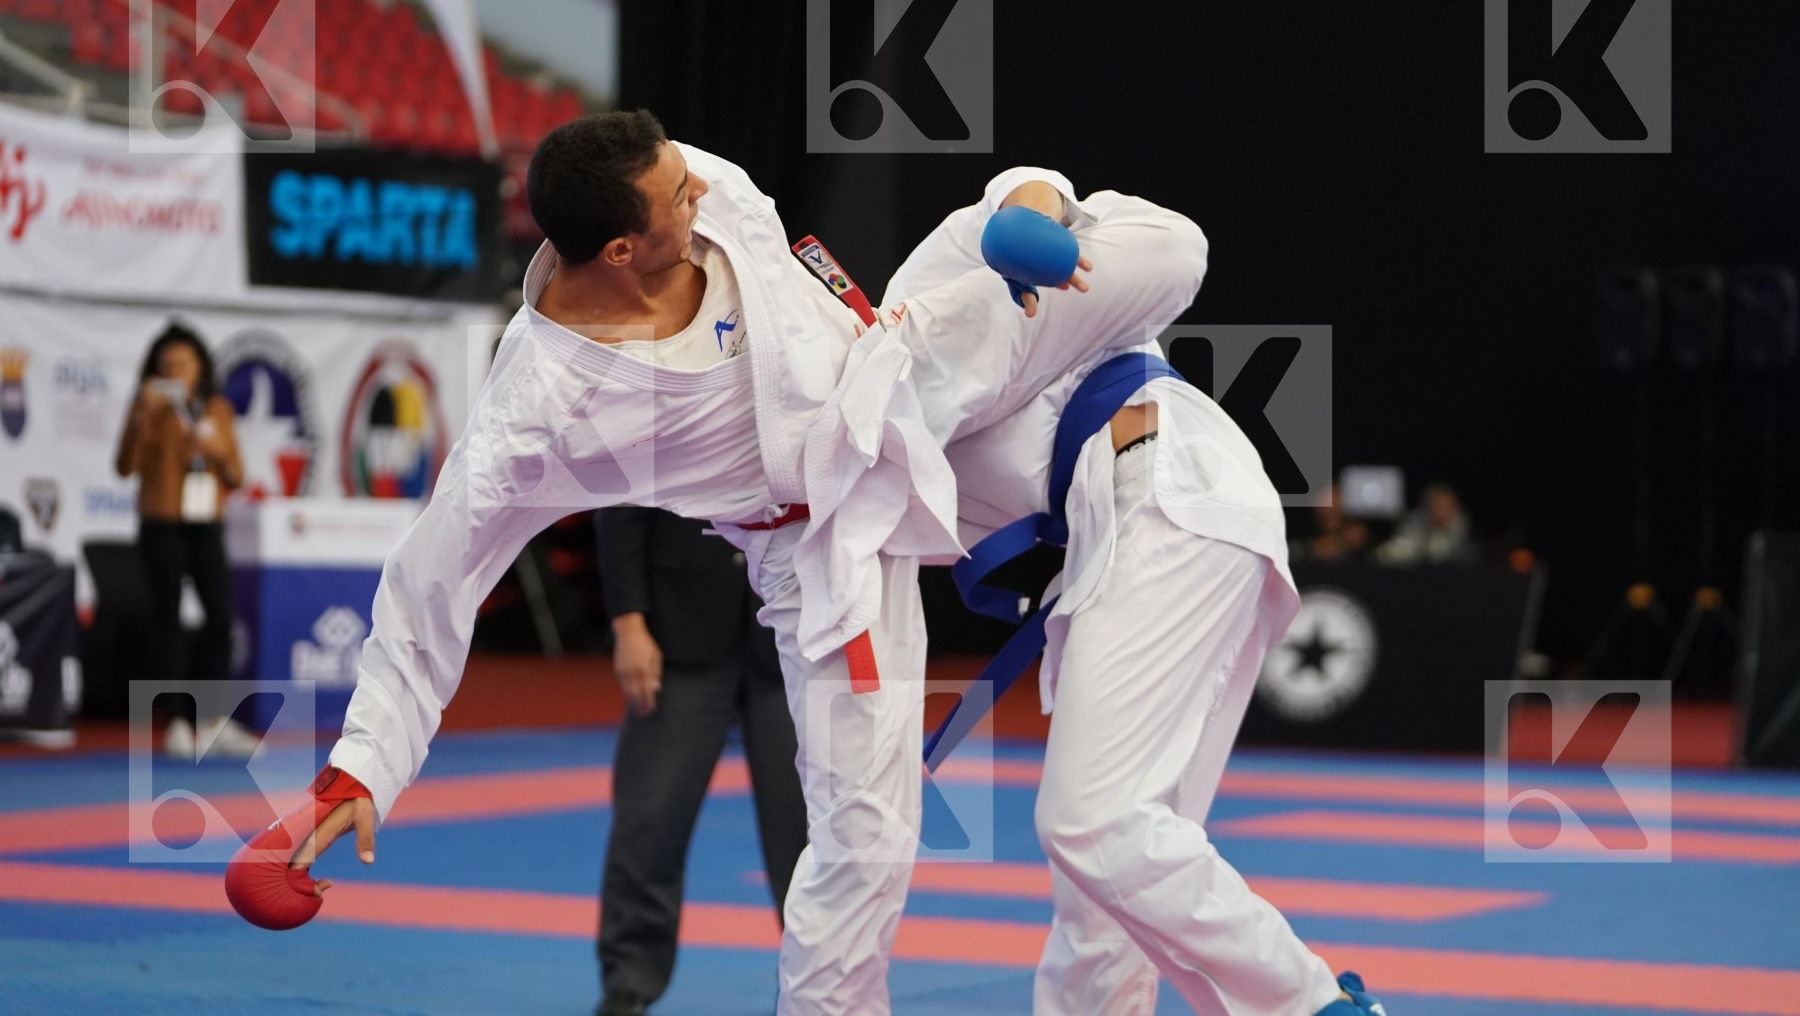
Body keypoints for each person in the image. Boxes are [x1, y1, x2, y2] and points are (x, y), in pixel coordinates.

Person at [254, 110, 1208, 1016]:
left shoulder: (696, 185)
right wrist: (359, 771)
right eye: (675, 192)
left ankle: (1024, 210)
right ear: (622, 248)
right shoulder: (541, 410)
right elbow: (433, 581)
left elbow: (746, 228)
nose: (700, 186)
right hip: (826, 541)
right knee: (866, 837)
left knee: (1171, 249)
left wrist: (1028, 203)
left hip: (906, 362)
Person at [885, 176, 1389, 1015]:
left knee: (1094, 824)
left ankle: (1312, 1005)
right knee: (1109, 883)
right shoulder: (876, 403)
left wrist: (1034, 214)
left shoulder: (961, 287)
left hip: (1169, 499)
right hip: (1139, 532)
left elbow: (1147, 235)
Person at [594, 507, 805, 1016]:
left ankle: (819, 987)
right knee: (649, 819)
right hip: (677, 626)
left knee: (810, 834)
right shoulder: (646, 419)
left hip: (793, 628)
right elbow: (621, 502)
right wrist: (628, 623)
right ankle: (628, 983)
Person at [113, 322, 254, 759]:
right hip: (162, 523)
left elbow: (236, 474)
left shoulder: (217, 409)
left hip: (205, 523)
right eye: (166, 364)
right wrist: (142, 413)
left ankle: (212, 720)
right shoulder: (149, 408)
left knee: (220, 616)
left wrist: (214, 451)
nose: (175, 371)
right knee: (167, 620)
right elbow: (124, 466)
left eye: (183, 363)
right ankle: (175, 720)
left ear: (200, 368)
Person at [1375, 481, 1474, 566]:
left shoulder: (1461, 524)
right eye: (1437, 505)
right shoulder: (1415, 522)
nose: (1441, 511)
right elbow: (1395, 551)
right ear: (1428, 506)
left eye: (1447, 505)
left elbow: (1445, 553)